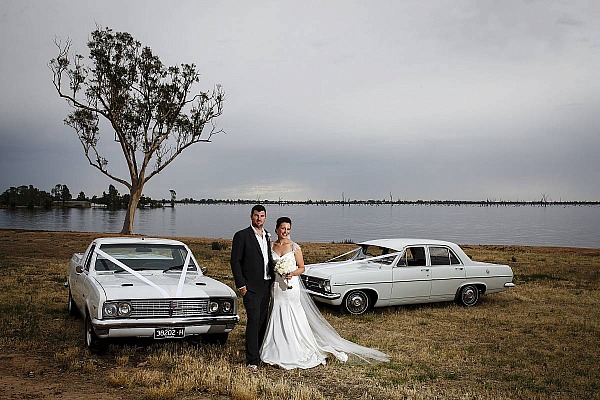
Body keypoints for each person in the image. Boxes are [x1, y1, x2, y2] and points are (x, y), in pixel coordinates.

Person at [260, 216, 390, 370]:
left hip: (291, 286)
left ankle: (295, 345)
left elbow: (302, 267)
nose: (285, 232)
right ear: (276, 229)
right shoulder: (271, 246)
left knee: (292, 313)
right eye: (283, 228)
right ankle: (276, 345)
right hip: (277, 286)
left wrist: (292, 273)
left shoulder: (295, 247)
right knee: (276, 311)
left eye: (288, 229)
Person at [230, 205, 274, 373]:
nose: (259, 219)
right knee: (254, 321)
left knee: (263, 321)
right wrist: (241, 285)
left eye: (262, 216)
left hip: (266, 284)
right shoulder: (242, 236)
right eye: (256, 215)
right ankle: (252, 360)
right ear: (251, 216)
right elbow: (235, 262)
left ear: (265, 218)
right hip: (250, 287)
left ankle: (260, 354)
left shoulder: (267, 236)